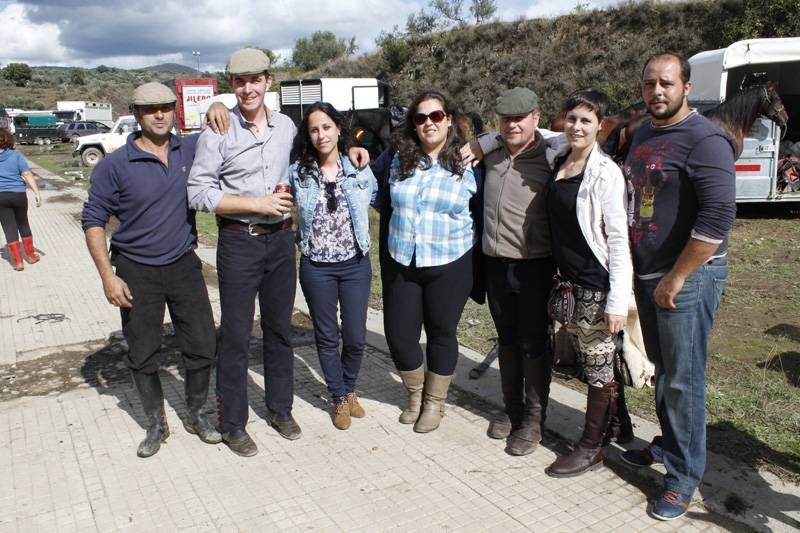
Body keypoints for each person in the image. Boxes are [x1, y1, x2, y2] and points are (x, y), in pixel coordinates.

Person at [619, 53, 736, 521]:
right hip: (651, 275)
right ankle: (670, 445)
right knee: (665, 372)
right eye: (649, 84)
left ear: (686, 86)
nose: (656, 92)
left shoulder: (707, 139)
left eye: (666, 83)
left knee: (684, 381)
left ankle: (683, 479)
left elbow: (716, 219)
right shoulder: (645, 132)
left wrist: (678, 276)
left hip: (685, 277)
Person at [82, 82, 220, 458]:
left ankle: (197, 413)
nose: (159, 114)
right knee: (143, 352)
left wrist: (217, 107)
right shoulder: (114, 165)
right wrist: (107, 276)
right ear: (136, 113)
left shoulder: (189, 149)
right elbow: (93, 220)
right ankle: (157, 424)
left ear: (174, 110)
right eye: (149, 109)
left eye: (165, 107)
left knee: (204, 345)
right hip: (135, 269)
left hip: (183, 264)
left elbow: (229, 133)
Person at [539, 89, 632, 477]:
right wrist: (485, 139)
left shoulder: (605, 173)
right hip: (567, 283)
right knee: (595, 359)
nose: (577, 127)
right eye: (572, 119)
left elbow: (617, 239)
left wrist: (617, 302)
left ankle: (591, 447)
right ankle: (615, 425)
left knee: (595, 365)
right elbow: (538, 133)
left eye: (586, 121)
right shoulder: (559, 155)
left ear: (600, 127)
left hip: (594, 283)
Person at [381, 90, 477, 433]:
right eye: (421, 118)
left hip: (450, 262)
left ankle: (435, 404)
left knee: (441, 332)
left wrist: (488, 141)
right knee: (401, 336)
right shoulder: (397, 158)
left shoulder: (469, 162)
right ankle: (414, 395)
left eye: (436, 116)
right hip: (403, 260)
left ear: (448, 119)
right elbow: (364, 176)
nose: (428, 124)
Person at [469, 87, 556, 456]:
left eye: (520, 118)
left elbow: (576, 136)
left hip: (536, 265)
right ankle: (512, 410)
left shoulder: (552, 155)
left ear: (536, 117)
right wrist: (485, 141)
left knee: (534, 341)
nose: (513, 124)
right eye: (506, 119)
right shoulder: (491, 153)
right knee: (506, 338)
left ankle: (534, 419)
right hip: (495, 263)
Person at [289, 102, 377, 430]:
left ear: (339, 129)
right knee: (327, 336)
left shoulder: (357, 167)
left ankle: (350, 388)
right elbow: (282, 202)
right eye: (314, 129)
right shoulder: (298, 172)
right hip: (317, 267)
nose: (321, 134)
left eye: (326, 127)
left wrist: (359, 150)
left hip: (355, 264)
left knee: (355, 336)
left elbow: (382, 195)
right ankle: (338, 396)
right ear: (308, 136)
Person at [0, 128, 41, 271]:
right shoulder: (16, 155)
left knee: (8, 227)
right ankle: (30, 256)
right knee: (23, 223)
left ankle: (18, 262)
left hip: (1, 197)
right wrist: (37, 193)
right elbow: (26, 174)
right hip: (18, 195)